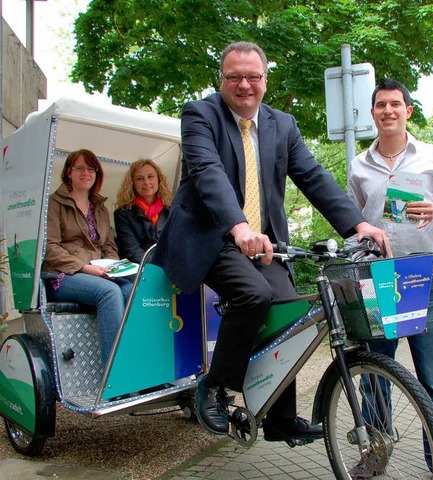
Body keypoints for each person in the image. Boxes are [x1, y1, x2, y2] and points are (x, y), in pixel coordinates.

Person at [153, 41, 390, 442]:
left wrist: (356, 226)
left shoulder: (283, 124)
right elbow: (208, 173)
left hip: (263, 243)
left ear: (265, 79)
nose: (244, 85)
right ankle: (214, 386)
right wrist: (239, 226)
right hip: (211, 237)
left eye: (253, 77)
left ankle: (280, 419)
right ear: (222, 79)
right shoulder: (200, 115)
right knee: (252, 295)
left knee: (291, 316)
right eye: (234, 77)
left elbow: (313, 177)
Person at [346, 78, 433, 478]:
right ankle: (375, 457)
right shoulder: (360, 165)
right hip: (378, 278)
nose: (388, 111)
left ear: (408, 111)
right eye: (380, 105)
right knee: (375, 377)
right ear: (373, 112)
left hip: (422, 277)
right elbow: (352, 220)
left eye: (395, 104)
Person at [42, 149, 133, 367]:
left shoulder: (99, 208)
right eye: (80, 168)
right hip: (63, 274)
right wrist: (84, 268)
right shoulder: (54, 203)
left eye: (91, 168)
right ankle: (114, 372)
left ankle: (136, 364)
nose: (86, 173)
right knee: (109, 292)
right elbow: (50, 248)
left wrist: (113, 267)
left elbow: (109, 246)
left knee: (133, 290)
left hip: (99, 273)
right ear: (69, 172)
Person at [114, 159, 173, 264]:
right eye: (140, 178)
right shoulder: (123, 214)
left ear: (159, 179)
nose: (146, 182)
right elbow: (132, 251)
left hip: (171, 267)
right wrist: (157, 268)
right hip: (140, 268)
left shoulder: (171, 210)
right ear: (132, 183)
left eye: (150, 176)